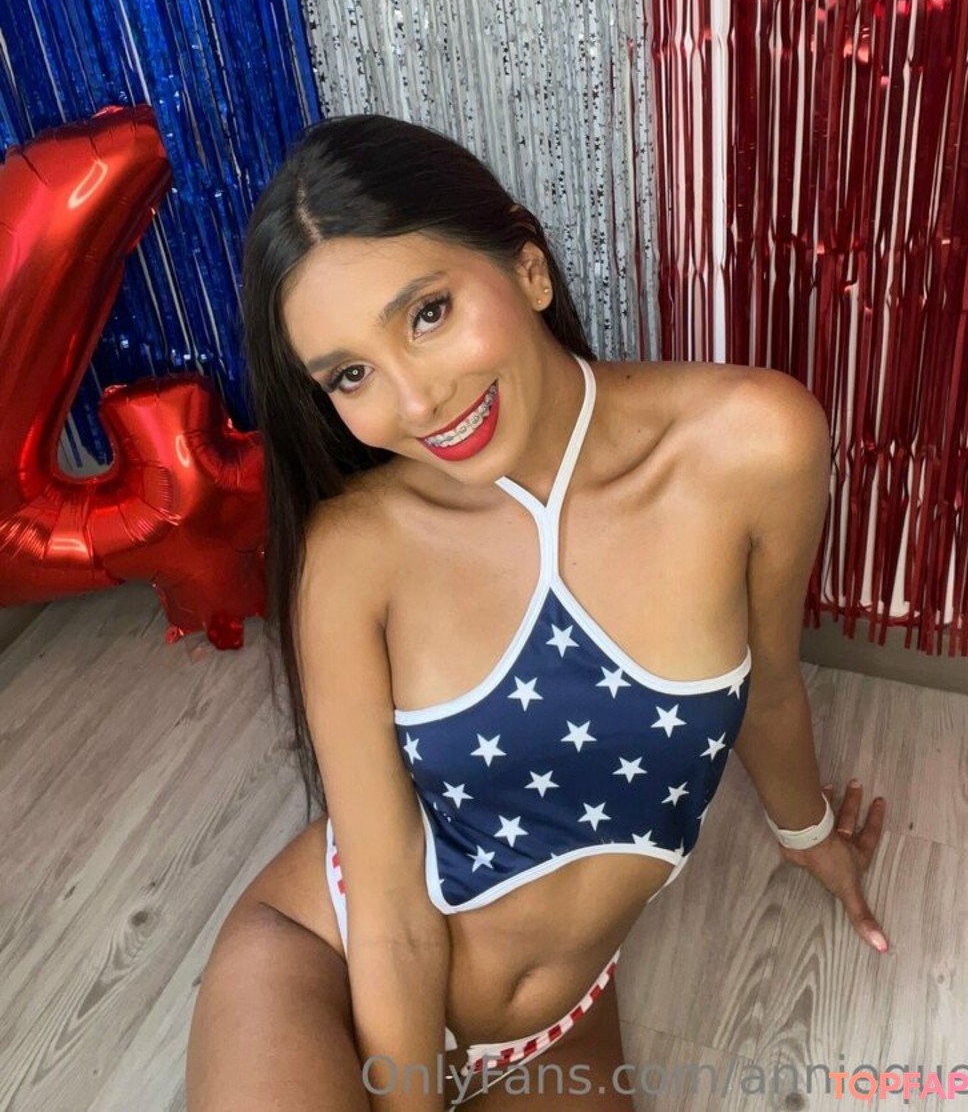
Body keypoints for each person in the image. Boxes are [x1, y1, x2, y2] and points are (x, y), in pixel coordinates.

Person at [186, 114, 889, 1112]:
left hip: (561, 1024)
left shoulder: (755, 444)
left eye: (427, 312)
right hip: (328, 963)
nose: (417, 401)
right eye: (350, 374)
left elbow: (770, 684)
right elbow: (387, 906)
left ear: (527, 266)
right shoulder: (351, 554)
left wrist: (807, 829)